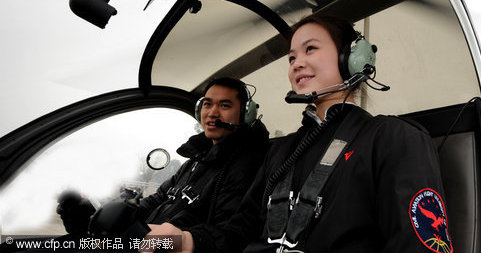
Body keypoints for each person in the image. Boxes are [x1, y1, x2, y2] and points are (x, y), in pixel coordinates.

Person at [152, 14, 452, 253]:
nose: (297, 63)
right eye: (291, 57)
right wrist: (187, 240)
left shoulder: (393, 138)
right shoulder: (282, 151)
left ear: (354, 58)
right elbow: (243, 228)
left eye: (310, 49)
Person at [56, 77, 269, 247]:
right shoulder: (196, 160)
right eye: (207, 104)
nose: (212, 113)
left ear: (245, 114)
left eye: (224, 105)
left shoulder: (247, 164)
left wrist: (185, 240)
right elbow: (158, 198)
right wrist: (115, 213)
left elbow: (233, 231)